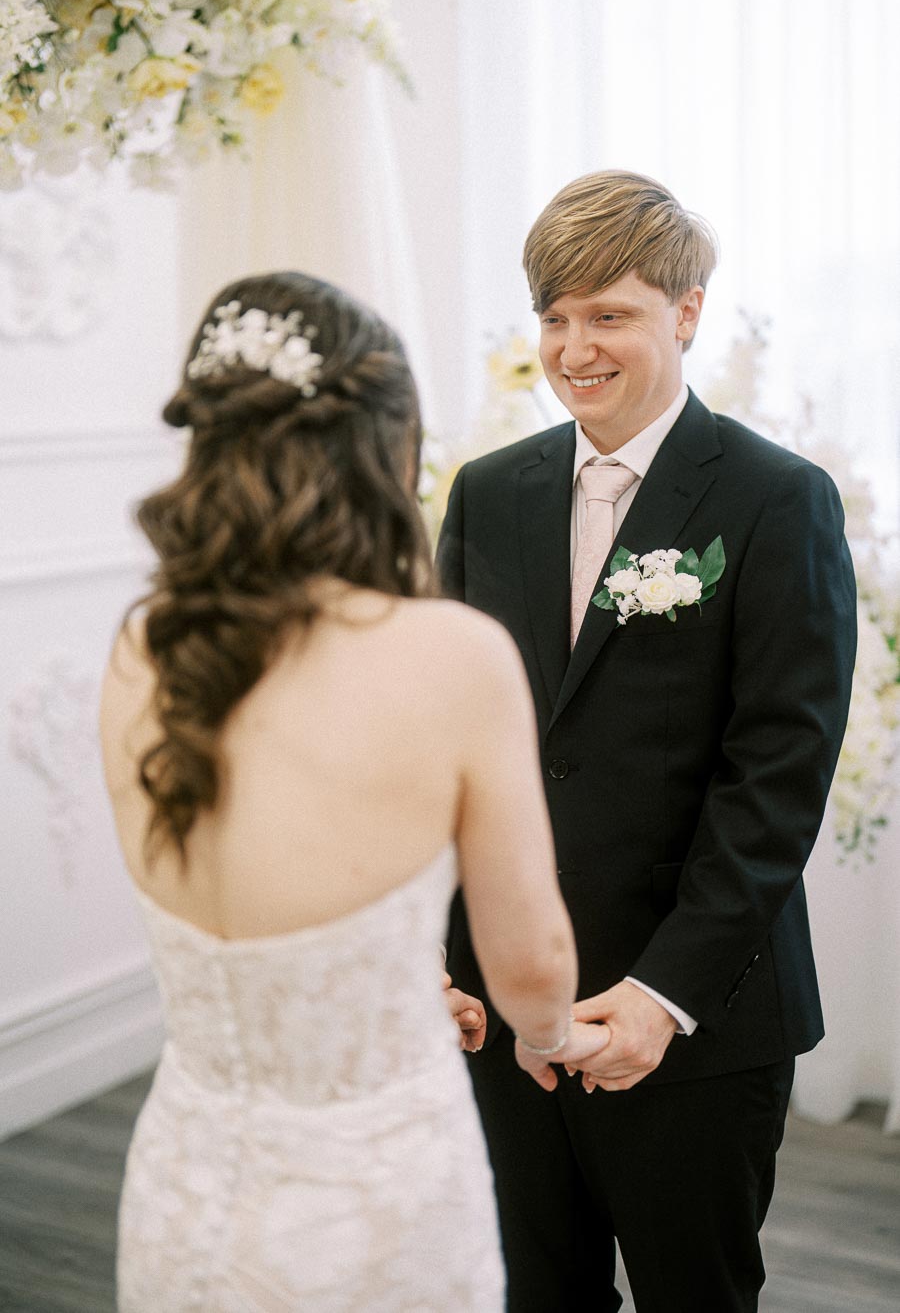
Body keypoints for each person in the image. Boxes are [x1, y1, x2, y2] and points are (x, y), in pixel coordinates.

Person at [99, 272, 609, 1312]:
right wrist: (557, 1038)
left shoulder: (146, 645)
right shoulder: (449, 654)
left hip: (186, 1188)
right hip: (378, 1205)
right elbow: (530, 969)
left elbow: (252, 884)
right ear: (386, 449)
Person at [437, 171, 857, 1313]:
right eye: (556, 317)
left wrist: (658, 996)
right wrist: (446, 959)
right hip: (506, 1018)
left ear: (686, 311)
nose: (576, 348)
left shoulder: (780, 500)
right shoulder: (488, 494)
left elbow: (777, 774)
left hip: (695, 1017)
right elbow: (452, 750)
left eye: (608, 314)